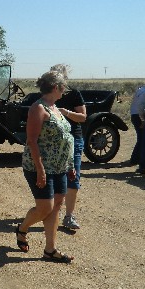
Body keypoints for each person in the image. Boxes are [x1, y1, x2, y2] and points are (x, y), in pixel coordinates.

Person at [16, 71, 75, 263]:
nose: (65, 90)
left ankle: (50, 249)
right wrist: (40, 170)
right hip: (39, 167)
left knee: (56, 206)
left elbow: (66, 138)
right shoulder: (38, 108)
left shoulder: (55, 108)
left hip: (60, 167)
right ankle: (22, 228)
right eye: (63, 86)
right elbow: (31, 141)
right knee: (45, 207)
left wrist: (70, 165)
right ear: (56, 87)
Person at [50, 64, 86, 231]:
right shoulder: (49, 94)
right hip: (53, 140)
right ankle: (51, 211)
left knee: (73, 177)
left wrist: (66, 113)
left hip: (73, 139)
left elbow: (83, 117)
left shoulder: (73, 94)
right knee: (54, 176)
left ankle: (69, 215)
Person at [129, 80, 145, 165]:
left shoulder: (141, 90)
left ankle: (136, 159)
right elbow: (141, 106)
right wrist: (143, 120)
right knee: (143, 138)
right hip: (139, 116)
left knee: (141, 138)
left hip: (135, 115)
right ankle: (136, 159)